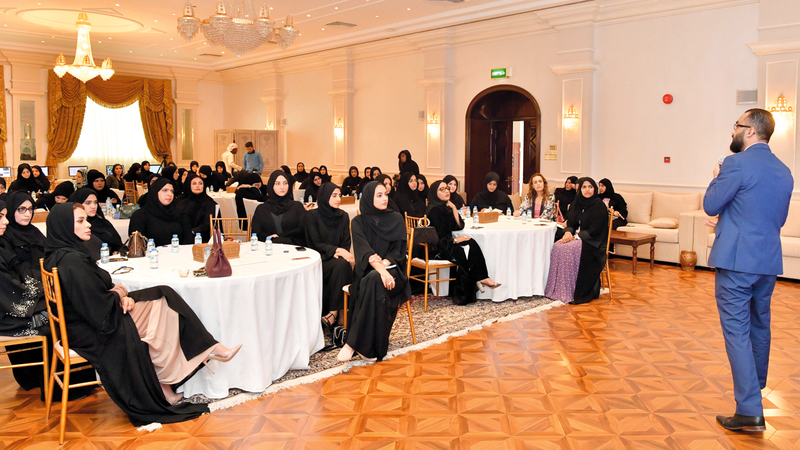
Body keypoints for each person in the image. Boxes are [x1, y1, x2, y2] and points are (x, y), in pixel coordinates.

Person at [44, 202, 241, 424]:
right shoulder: (72, 261)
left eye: (86, 220)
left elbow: (96, 292)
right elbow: (97, 306)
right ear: (64, 226)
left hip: (82, 322)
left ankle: (171, 382)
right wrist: (120, 293)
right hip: (91, 330)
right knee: (162, 307)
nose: (88, 224)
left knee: (162, 300)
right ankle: (197, 358)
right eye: (80, 221)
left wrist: (119, 293)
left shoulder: (62, 254)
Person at [704, 109, 793, 432]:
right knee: (759, 327)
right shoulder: (784, 171)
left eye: (737, 126)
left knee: (737, 333)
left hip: (736, 261)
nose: (733, 132)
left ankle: (749, 410)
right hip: (767, 261)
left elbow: (711, 204)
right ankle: (755, 388)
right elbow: (773, 218)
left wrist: (716, 176)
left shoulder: (735, 163)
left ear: (751, 131)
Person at [0, 199, 97, 402]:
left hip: (12, 306)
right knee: (61, 316)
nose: (6, 221)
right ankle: (64, 385)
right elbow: (10, 292)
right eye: (1, 217)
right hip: (7, 317)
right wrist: (48, 290)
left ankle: (69, 380)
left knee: (62, 309)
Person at [337, 181, 410, 362]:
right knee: (373, 279)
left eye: (385, 194)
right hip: (371, 272)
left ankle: (352, 344)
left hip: (394, 271)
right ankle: (371, 348)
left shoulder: (396, 219)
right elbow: (365, 252)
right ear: (369, 197)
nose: (385, 198)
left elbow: (399, 252)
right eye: (379, 195)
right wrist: (381, 271)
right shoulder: (358, 222)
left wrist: (384, 266)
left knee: (373, 279)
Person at [426, 180, 500, 305]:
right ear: (434, 193)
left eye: (447, 188)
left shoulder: (443, 208)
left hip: (445, 244)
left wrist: (454, 208)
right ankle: (462, 295)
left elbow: (459, 226)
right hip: (436, 249)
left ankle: (483, 277)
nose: (446, 191)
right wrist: (455, 240)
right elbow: (436, 238)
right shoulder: (434, 211)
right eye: (442, 189)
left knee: (471, 242)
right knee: (463, 251)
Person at [545, 177, 609, 305]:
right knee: (557, 246)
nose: (587, 190)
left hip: (593, 243)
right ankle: (558, 290)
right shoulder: (576, 203)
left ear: (594, 189)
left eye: (590, 187)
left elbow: (595, 229)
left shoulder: (599, 205)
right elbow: (571, 223)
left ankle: (572, 291)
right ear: (580, 189)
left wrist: (577, 237)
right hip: (577, 238)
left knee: (567, 248)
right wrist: (568, 232)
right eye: (584, 187)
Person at [305, 183, 355, 340]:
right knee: (343, 265)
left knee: (342, 265)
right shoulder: (312, 216)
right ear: (325, 196)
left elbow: (346, 243)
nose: (338, 199)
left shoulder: (343, 216)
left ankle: (334, 314)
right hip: (319, 259)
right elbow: (314, 243)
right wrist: (336, 251)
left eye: (339, 195)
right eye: (334, 195)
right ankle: (340, 317)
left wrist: (340, 252)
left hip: (337, 260)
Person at [129, 177, 193, 246]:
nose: (169, 194)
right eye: (165, 190)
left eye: (172, 191)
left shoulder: (180, 213)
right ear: (155, 192)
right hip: (151, 252)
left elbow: (188, 241)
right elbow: (137, 245)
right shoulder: (140, 215)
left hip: (179, 252)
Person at [0, 191, 46, 282]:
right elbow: (15, 269)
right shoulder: (5, 234)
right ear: (11, 210)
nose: (28, 214)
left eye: (30, 209)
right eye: (21, 209)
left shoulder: (33, 231)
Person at [251, 170, 307, 245]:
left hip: (293, 248)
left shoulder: (297, 207)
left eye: (285, 183)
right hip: (269, 248)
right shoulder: (262, 209)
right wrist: (268, 239)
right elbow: (256, 234)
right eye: (277, 184)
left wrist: (278, 238)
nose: (282, 187)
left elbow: (303, 232)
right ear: (271, 186)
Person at [69, 188, 124, 258]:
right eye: (88, 203)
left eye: (95, 202)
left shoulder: (102, 222)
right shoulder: (74, 226)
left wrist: (116, 252)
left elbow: (119, 245)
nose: (93, 206)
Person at [177, 173, 218, 243]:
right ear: (189, 185)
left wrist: (193, 231)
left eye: (200, 183)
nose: (197, 186)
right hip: (182, 236)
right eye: (194, 183)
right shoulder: (181, 201)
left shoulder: (209, 202)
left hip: (202, 238)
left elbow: (207, 223)